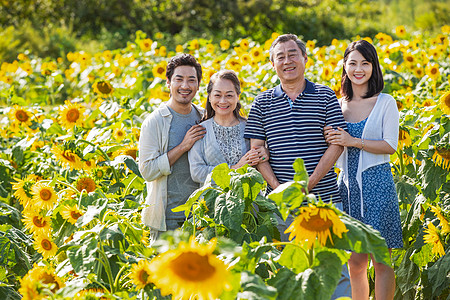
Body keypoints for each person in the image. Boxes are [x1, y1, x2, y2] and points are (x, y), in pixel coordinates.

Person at [244, 33, 351, 299]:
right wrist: (281, 190)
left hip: (324, 199)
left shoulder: (326, 96)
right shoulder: (262, 103)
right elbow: (257, 154)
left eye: (293, 54)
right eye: (280, 56)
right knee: (291, 274)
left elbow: (336, 144)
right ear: (272, 64)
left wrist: (308, 185)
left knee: (335, 270)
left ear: (305, 58)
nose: (287, 61)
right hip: (281, 206)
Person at [324, 39, 403, 300]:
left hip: (378, 186)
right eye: (353, 63)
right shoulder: (337, 105)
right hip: (347, 189)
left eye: (365, 63)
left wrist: (352, 141)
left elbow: (390, 145)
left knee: (381, 262)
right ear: (345, 66)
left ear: (373, 67)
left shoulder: (385, 102)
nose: (359, 69)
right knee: (355, 263)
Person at [139, 53, 206, 240]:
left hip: (201, 218)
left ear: (198, 85)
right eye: (179, 79)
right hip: (167, 220)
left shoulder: (204, 117)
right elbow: (147, 171)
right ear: (168, 82)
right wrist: (183, 146)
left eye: (191, 80)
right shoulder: (155, 121)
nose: (185, 86)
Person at [188, 69, 268, 184]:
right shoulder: (200, 131)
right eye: (217, 95)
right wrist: (234, 169)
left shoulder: (250, 127)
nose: (223, 101)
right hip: (212, 200)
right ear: (210, 97)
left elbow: (262, 162)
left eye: (229, 95)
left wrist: (265, 153)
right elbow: (197, 173)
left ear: (237, 96)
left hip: (247, 199)